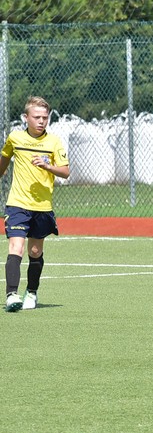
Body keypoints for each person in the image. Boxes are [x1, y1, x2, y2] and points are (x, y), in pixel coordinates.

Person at [1, 96, 70, 312]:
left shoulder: (53, 142)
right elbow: (4, 161)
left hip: (42, 206)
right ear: (26, 117)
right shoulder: (15, 138)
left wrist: (48, 167)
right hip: (17, 203)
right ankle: (12, 295)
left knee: (35, 251)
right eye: (37, 117)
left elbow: (65, 172)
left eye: (45, 117)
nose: (41, 121)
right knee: (16, 247)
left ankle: (31, 291)